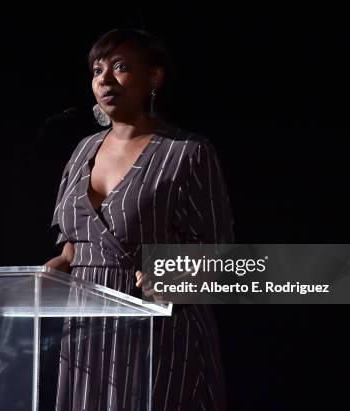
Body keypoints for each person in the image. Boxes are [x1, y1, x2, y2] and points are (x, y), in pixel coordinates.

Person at [45, 29, 234, 411]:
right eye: (97, 70)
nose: (105, 79)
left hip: (157, 326)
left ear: (154, 78)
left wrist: (177, 276)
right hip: (85, 331)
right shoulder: (83, 151)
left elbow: (221, 252)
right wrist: (53, 270)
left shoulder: (187, 153)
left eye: (121, 67)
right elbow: (72, 243)